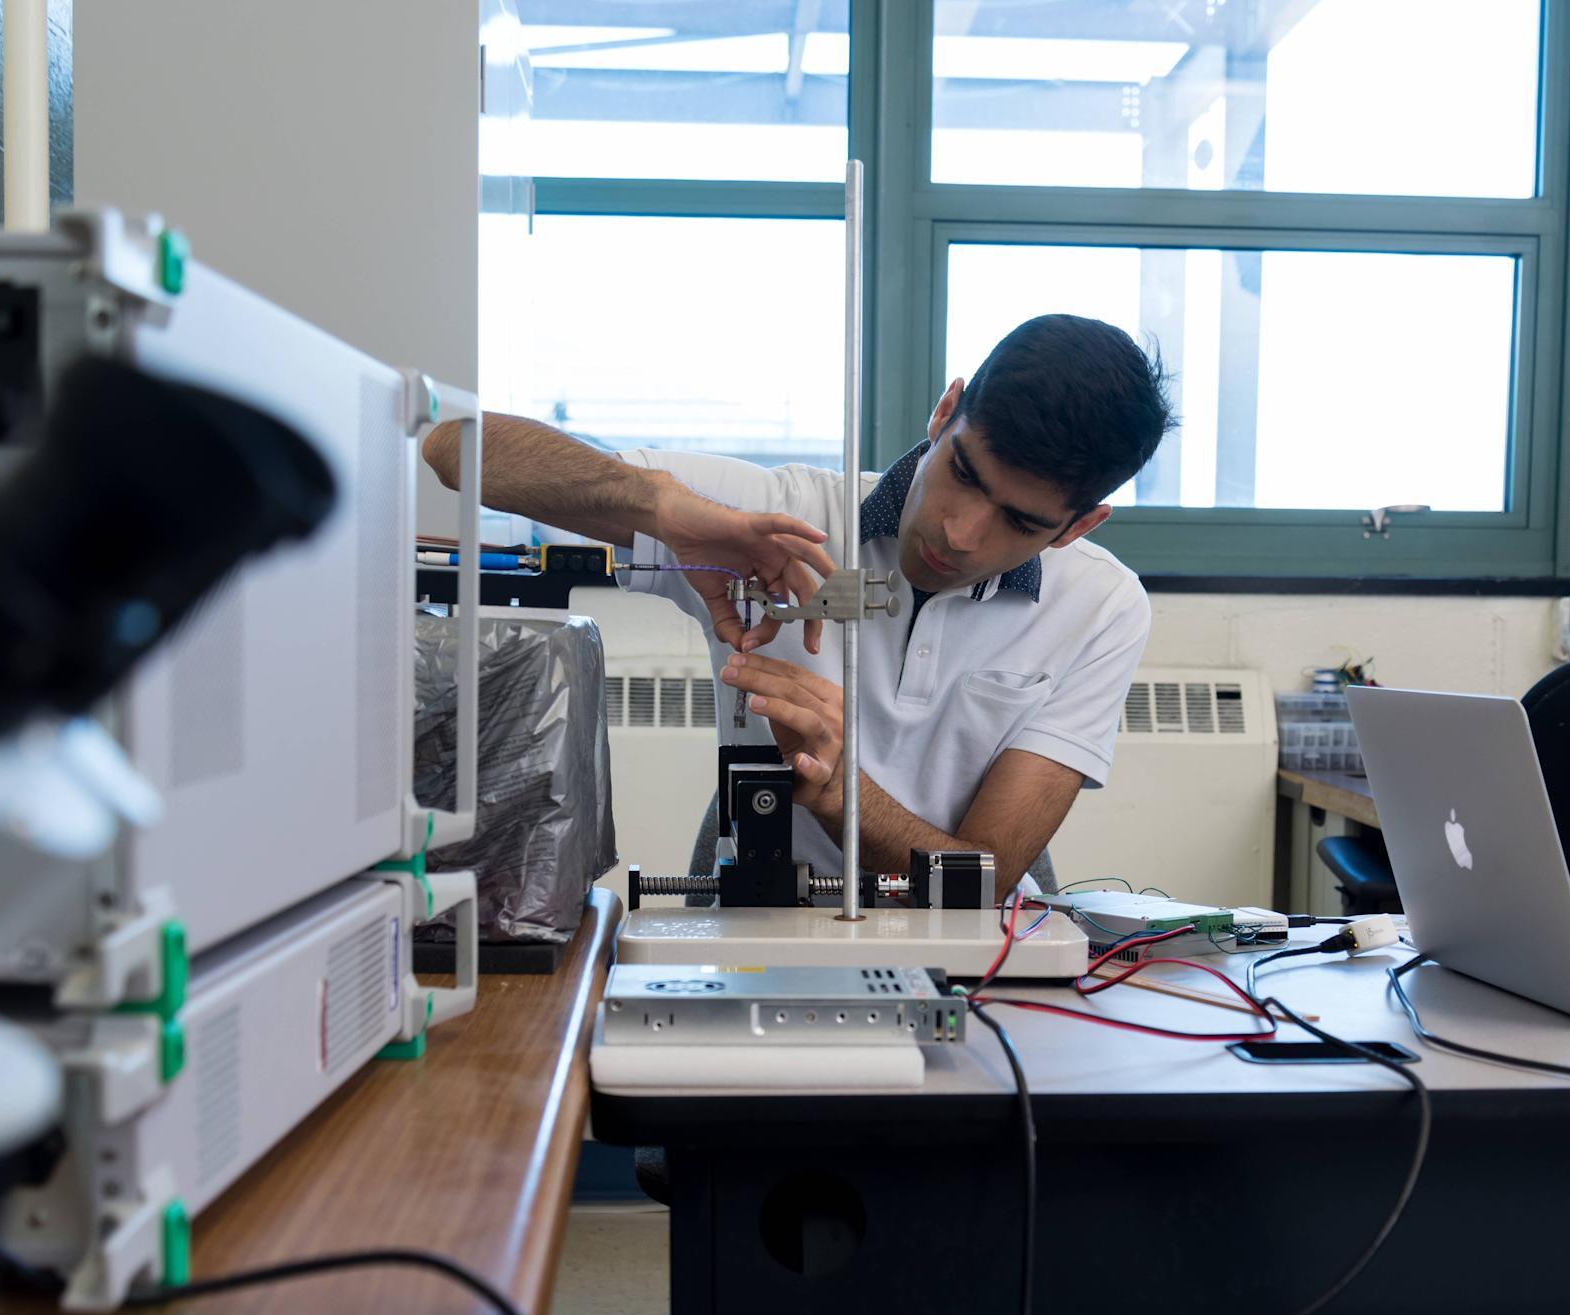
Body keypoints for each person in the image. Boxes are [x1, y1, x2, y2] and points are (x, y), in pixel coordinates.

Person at [420, 314, 1173, 898]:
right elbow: (456, 449)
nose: (959, 533)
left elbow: (981, 879)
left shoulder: (1101, 607)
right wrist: (663, 509)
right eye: (965, 475)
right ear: (945, 414)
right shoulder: (779, 518)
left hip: (979, 948)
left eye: (1021, 522)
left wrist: (846, 794)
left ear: (1078, 526)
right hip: (763, 911)